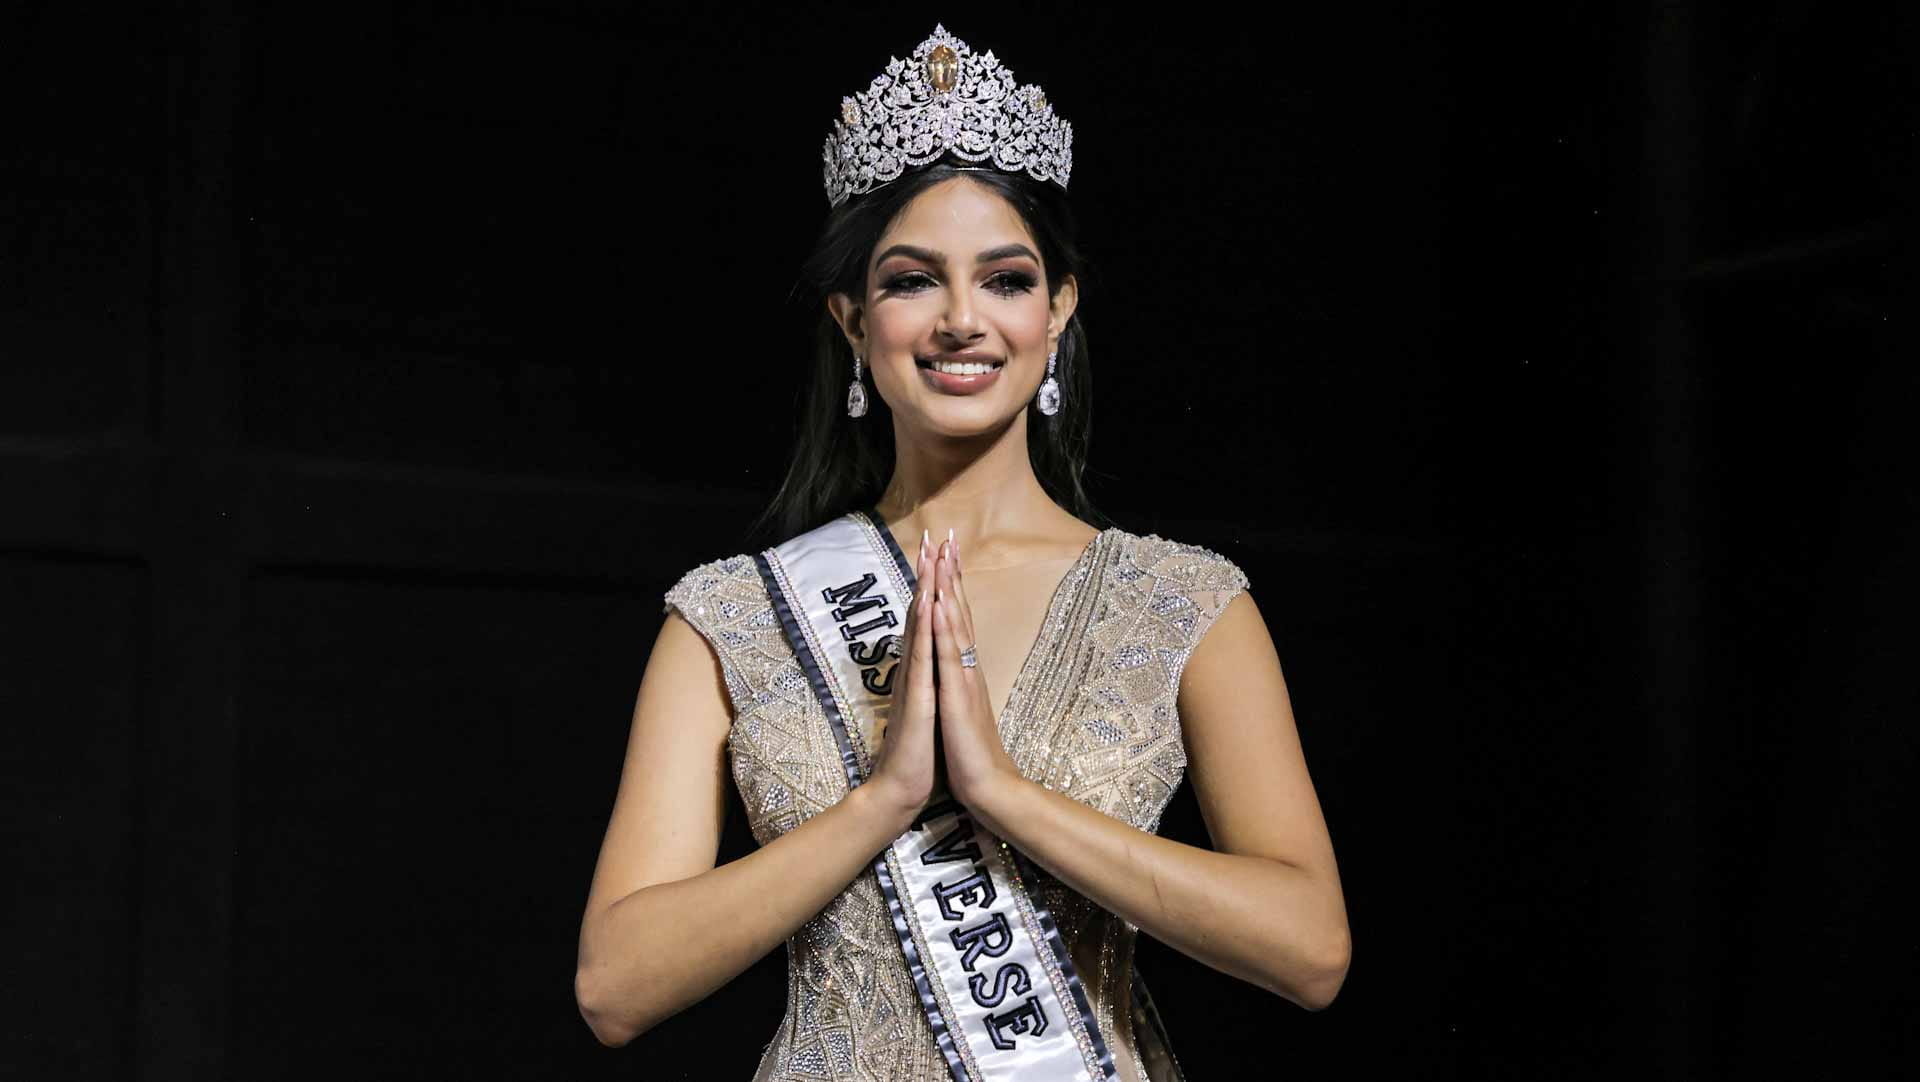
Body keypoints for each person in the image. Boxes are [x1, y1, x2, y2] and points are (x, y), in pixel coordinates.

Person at [575, 25, 1348, 1081]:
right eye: (909, 281)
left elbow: (1312, 951)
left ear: (1058, 307)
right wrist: (882, 802)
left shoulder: (1186, 601)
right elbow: (614, 985)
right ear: (853, 321)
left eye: (1005, 279)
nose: (959, 320)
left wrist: (1005, 794)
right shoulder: (732, 616)